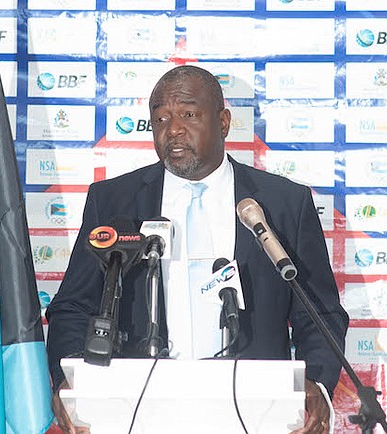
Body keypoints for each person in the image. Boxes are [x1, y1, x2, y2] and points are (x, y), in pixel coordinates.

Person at [46, 65, 349, 434]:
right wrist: (75, 379)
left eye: (188, 114)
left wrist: (315, 383)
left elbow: (318, 312)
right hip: (135, 409)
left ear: (223, 122)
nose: (172, 129)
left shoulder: (283, 203)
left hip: (254, 410)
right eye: (160, 118)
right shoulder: (113, 201)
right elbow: (74, 305)